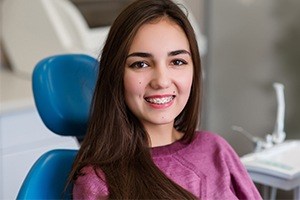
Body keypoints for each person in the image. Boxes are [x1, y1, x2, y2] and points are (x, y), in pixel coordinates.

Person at [68, 0, 262, 199]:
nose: (161, 81)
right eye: (140, 64)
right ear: (116, 74)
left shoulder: (216, 149)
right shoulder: (99, 182)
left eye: (177, 62)